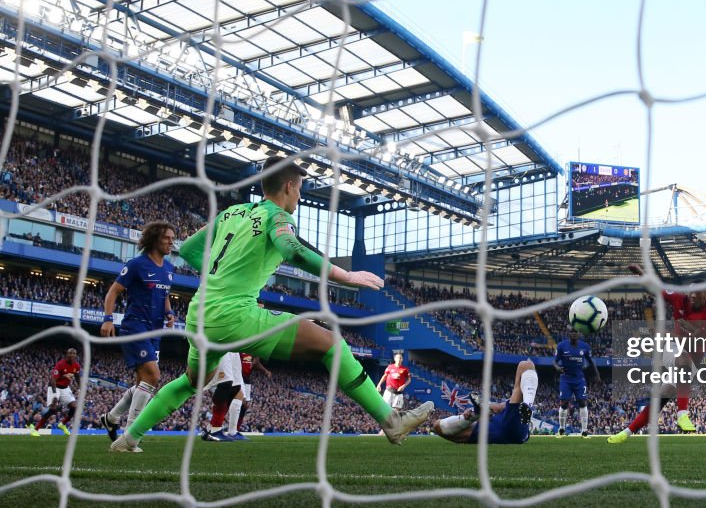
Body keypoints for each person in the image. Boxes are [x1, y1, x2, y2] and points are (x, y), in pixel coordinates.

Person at [111, 159, 433, 453]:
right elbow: (291, 250)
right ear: (290, 187)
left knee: (190, 383)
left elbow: (191, 250)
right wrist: (344, 275)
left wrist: (220, 276)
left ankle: (129, 438)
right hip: (234, 314)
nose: (299, 198)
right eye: (300, 190)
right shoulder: (277, 217)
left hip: (200, 312)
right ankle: (390, 421)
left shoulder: (232, 213)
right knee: (332, 344)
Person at [608, 265, 706, 443]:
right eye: (691, 296)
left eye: (697, 297)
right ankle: (683, 414)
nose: (692, 300)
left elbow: (695, 341)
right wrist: (643, 275)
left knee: (659, 401)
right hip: (674, 348)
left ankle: (626, 433)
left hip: (693, 360)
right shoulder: (679, 298)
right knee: (682, 355)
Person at [99, 221, 176, 444]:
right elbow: (113, 292)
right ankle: (131, 435)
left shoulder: (169, 269)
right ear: (154, 240)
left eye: (172, 238)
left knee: (143, 382)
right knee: (153, 376)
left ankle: (111, 418)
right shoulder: (136, 265)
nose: (171, 242)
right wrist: (107, 319)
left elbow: (165, 295)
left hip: (155, 331)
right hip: (135, 327)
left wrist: (169, 312)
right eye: (167, 238)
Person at [433, 359, 538, 445]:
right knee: (526, 365)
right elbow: (497, 408)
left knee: (437, 426)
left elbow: (448, 433)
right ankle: (527, 405)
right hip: (512, 428)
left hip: (495, 431)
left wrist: (471, 416)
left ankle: (475, 414)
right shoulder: (505, 410)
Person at [553, 330, 600, 437]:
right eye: (572, 332)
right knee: (564, 403)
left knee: (582, 402)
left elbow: (591, 361)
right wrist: (557, 368)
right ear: (569, 334)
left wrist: (597, 375)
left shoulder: (585, 347)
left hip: (579, 379)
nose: (573, 334)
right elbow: (554, 361)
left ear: (578, 334)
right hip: (566, 379)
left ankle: (584, 431)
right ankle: (561, 428)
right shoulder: (561, 346)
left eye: (575, 332)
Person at [28, 348, 80, 437]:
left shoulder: (76, 365)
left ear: (75, 355)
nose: (72, 355)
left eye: (74, 353)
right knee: (53, 409)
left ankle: (62, 424)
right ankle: (35, 430)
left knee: (75, 407)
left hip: (65, 388)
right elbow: (53, 381)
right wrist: (55, 394)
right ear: (66, 355)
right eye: (70, 353)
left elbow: (77, 377)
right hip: (54, 387)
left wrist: (81, 388)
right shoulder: (60, 364)